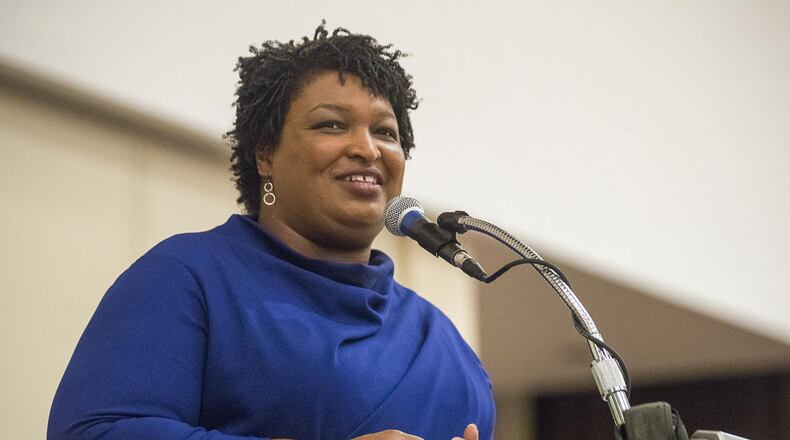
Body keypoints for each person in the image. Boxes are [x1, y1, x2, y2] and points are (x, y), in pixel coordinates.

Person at [48, 23, 495, 440]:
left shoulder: (449, 350)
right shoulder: (187, 278)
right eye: (331, 124)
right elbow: (94, 431)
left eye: (384, 131)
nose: (366, 148)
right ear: (266, 155)